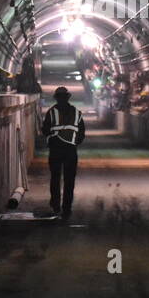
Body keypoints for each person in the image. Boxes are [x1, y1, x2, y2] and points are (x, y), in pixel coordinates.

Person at [39, 86, 86, 218]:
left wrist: (52, 140)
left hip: (56, 150)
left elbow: (45, 129)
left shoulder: (51, 112)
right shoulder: (77, 112)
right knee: (69, 180)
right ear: (67, 97)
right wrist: (75, 142)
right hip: (71, 150)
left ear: (57, 98)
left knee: (55, 178)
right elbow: (82, 132)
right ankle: (67, 208)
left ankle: (55, 205)